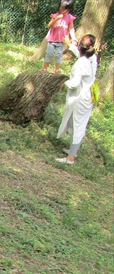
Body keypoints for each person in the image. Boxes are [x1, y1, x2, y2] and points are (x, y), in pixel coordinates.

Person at [56, 35, 98, 165]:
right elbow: (79, 54)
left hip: (81, 97)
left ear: (80, 47)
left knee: (77, 124)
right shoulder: (91, 58)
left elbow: (74, 83)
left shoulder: (81, 62)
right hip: (88, 96)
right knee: (78, 123)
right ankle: (74, 151)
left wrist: (65, 84)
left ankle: (70, 158)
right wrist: (71, 44)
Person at [41, 0, 77, 74]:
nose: (62, 10)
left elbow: (71, 28)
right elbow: (49, 25)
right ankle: (44, 69)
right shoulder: (55, 15)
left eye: (64, 8)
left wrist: (73, 37)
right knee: (49, 54)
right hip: (52, 39)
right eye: (61, 7)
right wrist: (56, 19)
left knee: (59, 55)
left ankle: (57, 70)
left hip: (62, 40)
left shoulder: (70, 18)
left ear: (68, 9)